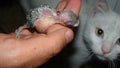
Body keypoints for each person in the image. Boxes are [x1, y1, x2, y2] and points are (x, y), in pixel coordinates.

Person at [0, 0, 81, 67]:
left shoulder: (57, 17)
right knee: (28, 25)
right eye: (70, 23)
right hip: (35, 18)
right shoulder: (55, 16)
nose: (74, 24)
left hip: (45, 16)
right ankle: (21, 28)